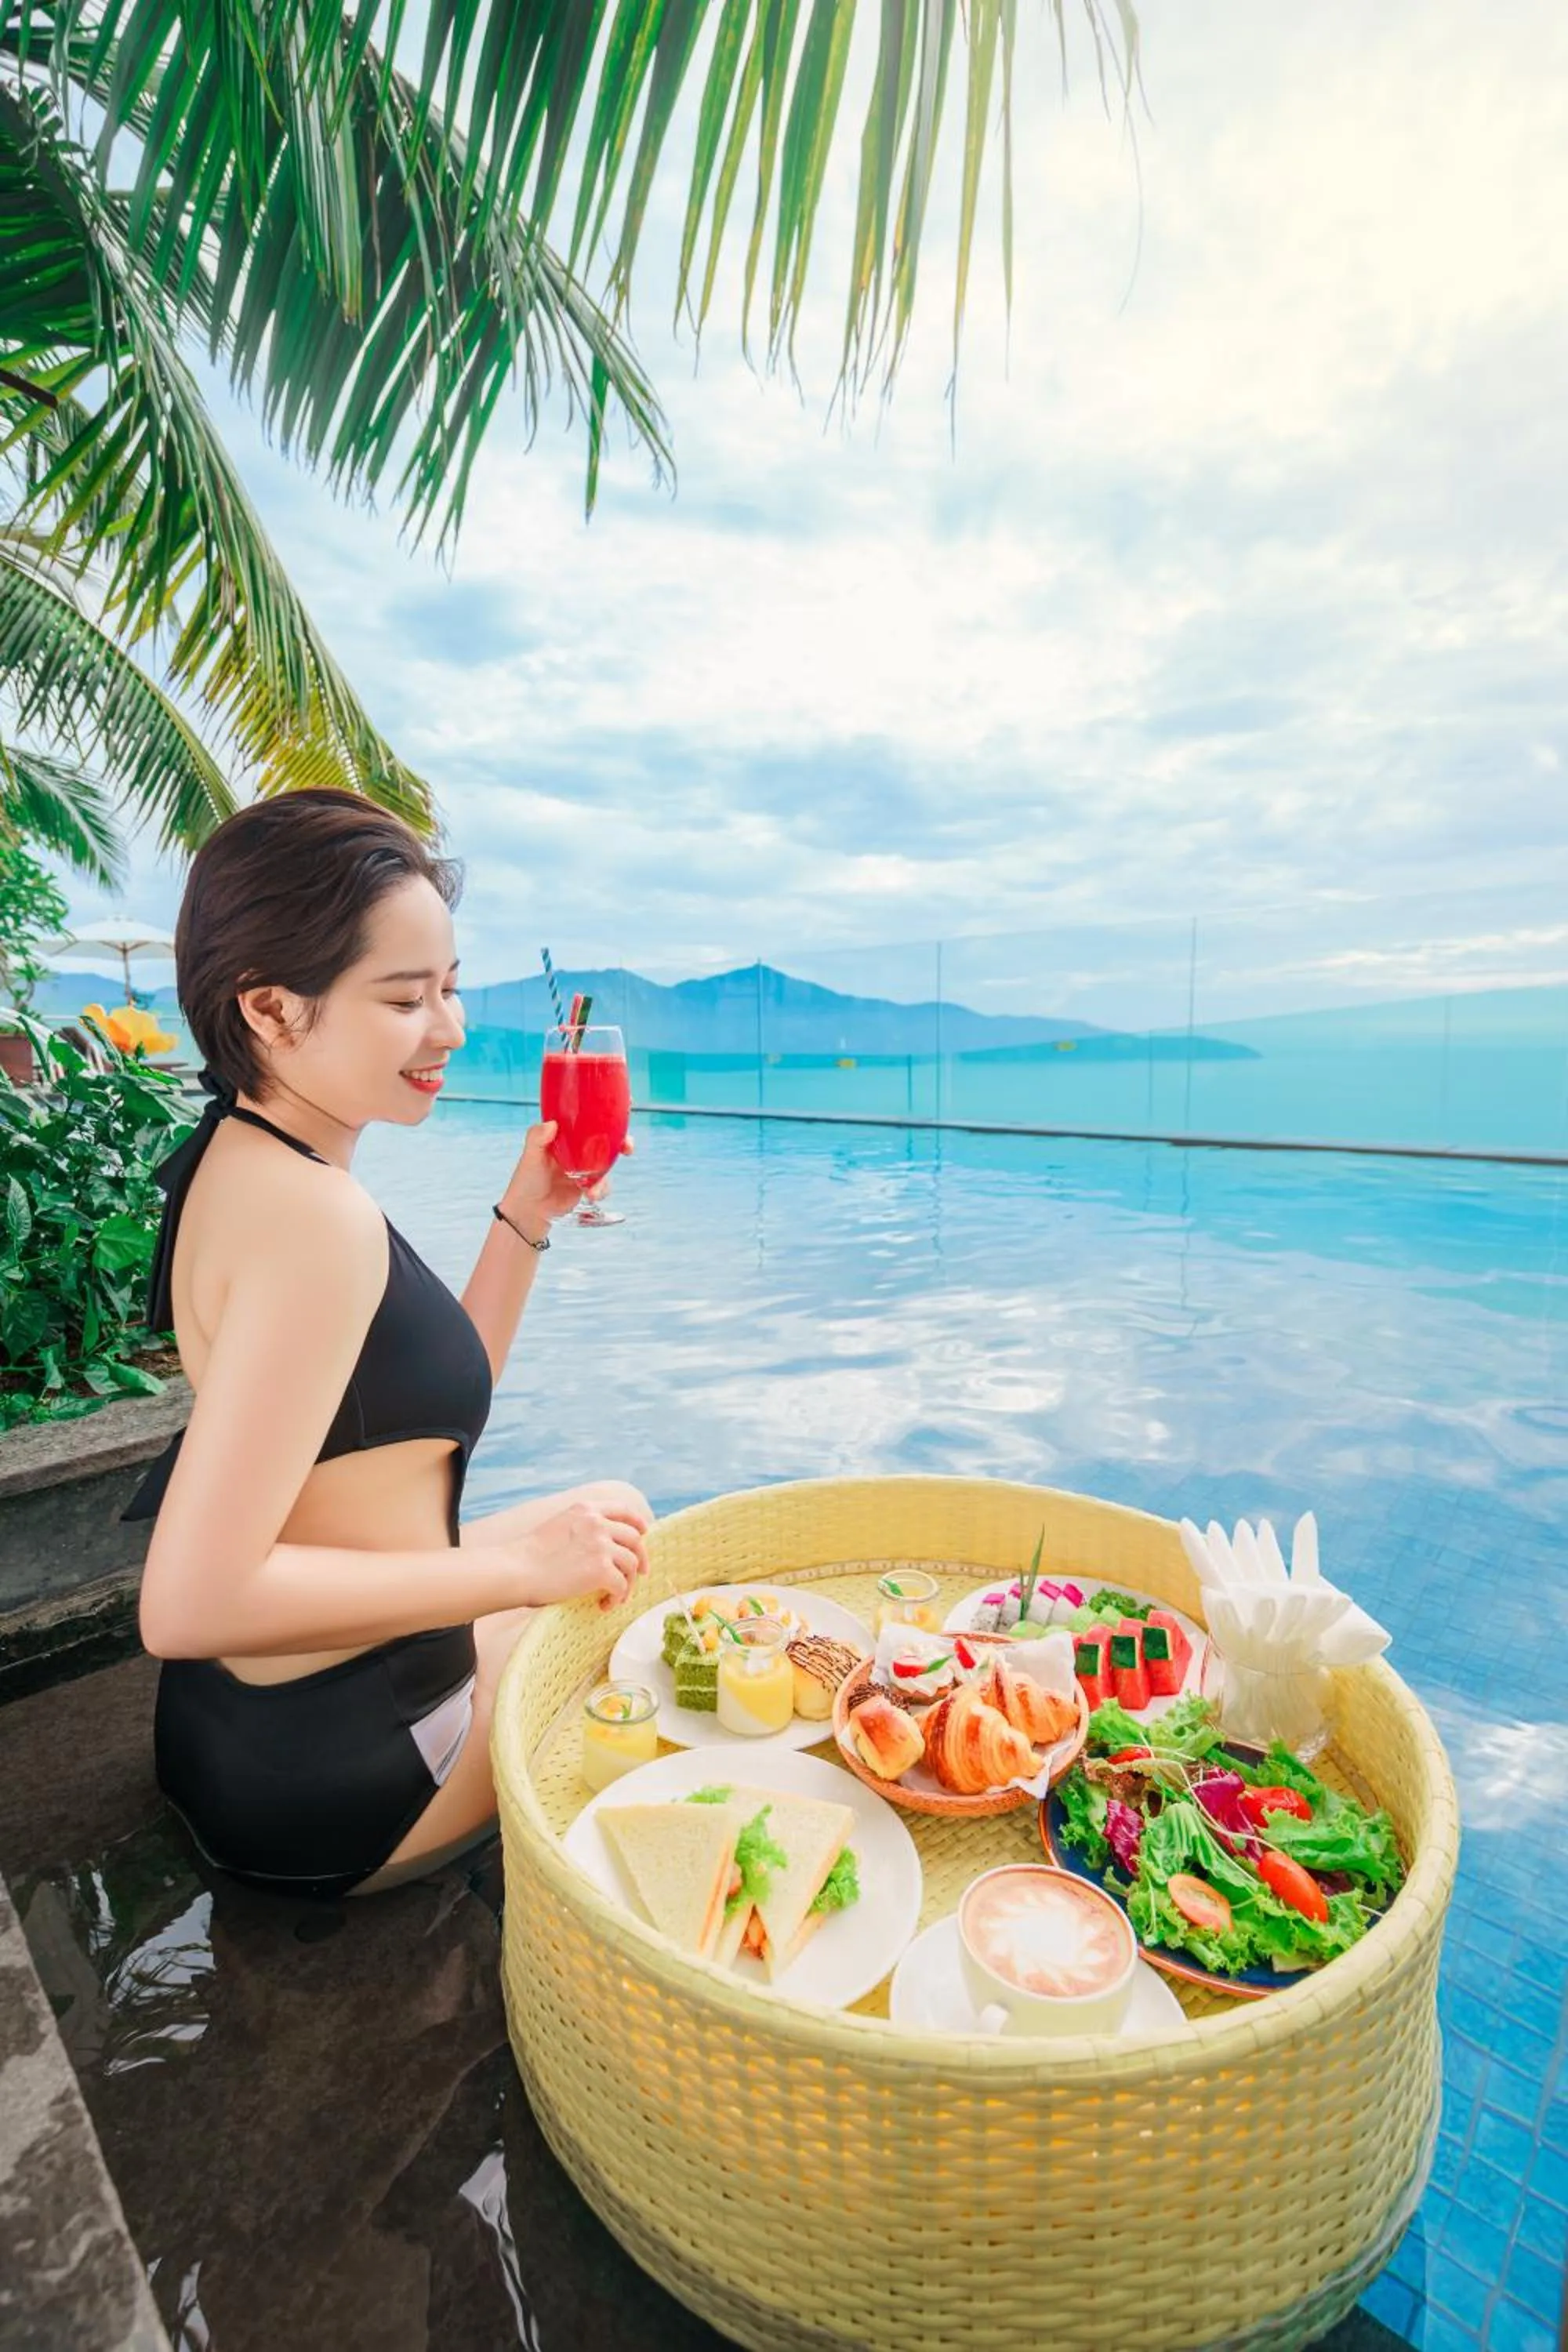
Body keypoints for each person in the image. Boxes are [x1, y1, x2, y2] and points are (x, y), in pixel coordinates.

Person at [126, 789, 652, 1899]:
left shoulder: (241, 1154)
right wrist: (520, 1571)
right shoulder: (318, 1219)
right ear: (271, 1007)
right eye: (407, 998)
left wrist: (525, 1215)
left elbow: (410, 1421)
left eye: (450, 987)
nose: (449, 1029)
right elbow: (184, 1603)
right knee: (641, 1620)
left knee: (612, 1515)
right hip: (352, 1768)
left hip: (241, 1721)